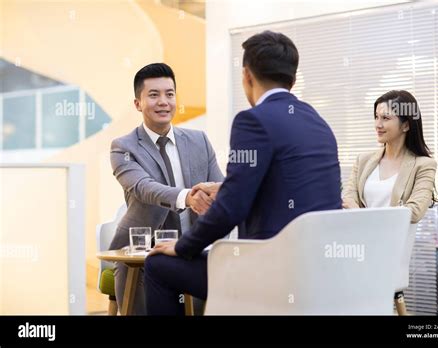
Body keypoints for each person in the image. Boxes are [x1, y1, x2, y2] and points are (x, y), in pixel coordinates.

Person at [144, 30, 342, 315]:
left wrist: (183, 246)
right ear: (293, 79)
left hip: (267, 274)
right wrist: (225, 189)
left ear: (247, 76)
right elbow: (283, 187)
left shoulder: (253, 121)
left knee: (158, 266)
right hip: (317, 272)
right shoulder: (318, 123)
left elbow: (231, 210)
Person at [109, 63, 224, 315]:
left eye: (169, 94)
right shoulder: (123, 147)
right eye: (154, 95)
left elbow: (221, 192)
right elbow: (143, 188)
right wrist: (187, 197)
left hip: (196, 252)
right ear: (138, 103)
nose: (163, 101)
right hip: (141, 257)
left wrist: (216, 191)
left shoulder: (199, 141)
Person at [342, 89, 438, 315]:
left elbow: (413, 212)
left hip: (389, 252)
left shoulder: (423, 165)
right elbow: (347, 198)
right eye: (376, 117)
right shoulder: (364, 160)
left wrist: (359, 214)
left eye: (386, 118)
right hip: (355, 246)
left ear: (406, 125)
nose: (378, 124)